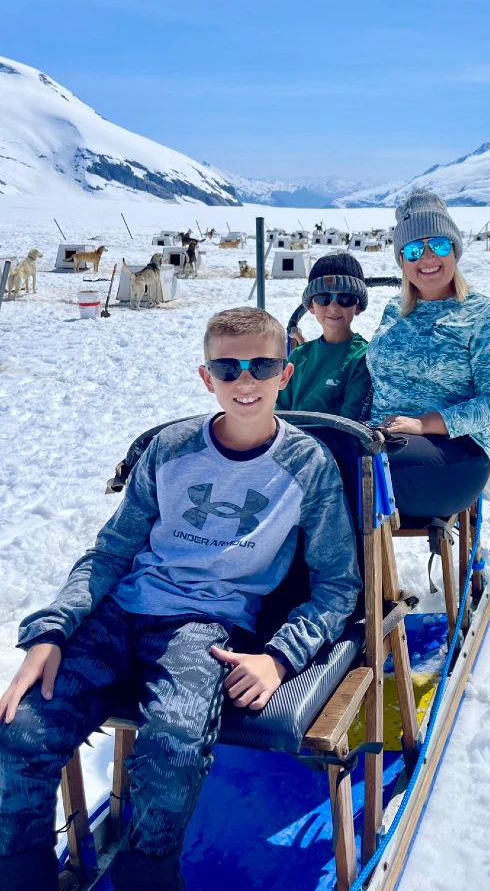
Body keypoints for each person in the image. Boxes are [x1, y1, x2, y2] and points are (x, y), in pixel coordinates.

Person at [0, 307, 361, 891]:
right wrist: (52, 630)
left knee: (173, 746)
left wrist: (279, 657)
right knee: (17, 731)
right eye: (228, 367)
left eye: (261, 365)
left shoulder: (306, 465)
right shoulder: (170, 448)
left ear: (285, 373)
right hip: (122, 612)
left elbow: (338, 584)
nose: (245, 380)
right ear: (206, 376)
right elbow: (112, 549)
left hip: (205, 626)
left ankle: (146, 877)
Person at [367, 189, 490, 518]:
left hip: (456, 451)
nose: (427, 258)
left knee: (363, 472)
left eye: (438, 245)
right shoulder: (394, 309)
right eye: (413, 249)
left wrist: (423, 424)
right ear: (402, 260)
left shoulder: (486, 315)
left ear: (454, 249)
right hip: (380, 437)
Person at [276, 253, 372, 420]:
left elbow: (350, 425)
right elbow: (280, 410)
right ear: (311, 306)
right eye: (323, 298)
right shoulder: (299, 355)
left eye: (345, 298)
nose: (333, 307)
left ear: (357, 307)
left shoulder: (363, 358)